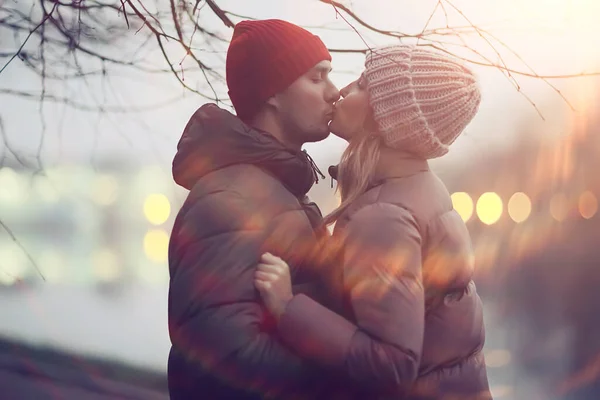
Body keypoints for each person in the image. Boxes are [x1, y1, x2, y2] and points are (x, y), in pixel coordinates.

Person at [255, 45, 492, 399]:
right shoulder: (419, 188)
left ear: (388, 118)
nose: (342, 90)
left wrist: (289, 308)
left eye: (363, 86)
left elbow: (391, 365)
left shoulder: (384, 217)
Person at [167, 19, 343, 399]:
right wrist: (347, 376)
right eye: (317, 78)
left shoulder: (276, 188)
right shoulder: (234, 198)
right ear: (272, 93)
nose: (335, 92)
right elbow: (222, 358)